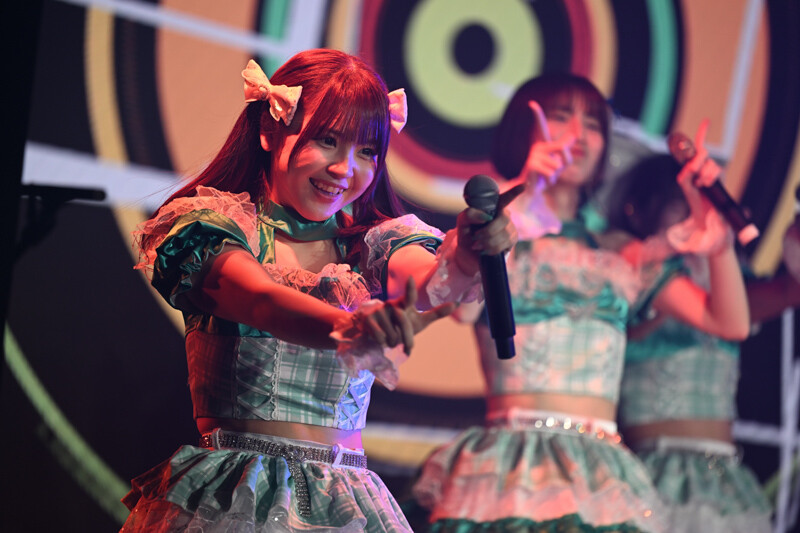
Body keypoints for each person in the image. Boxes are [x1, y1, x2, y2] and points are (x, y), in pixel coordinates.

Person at [120, 49, 519, 532]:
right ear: (269, 130)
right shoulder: (212, 229)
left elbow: (428, 279)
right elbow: (261, 301)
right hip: (236, 496)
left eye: (366, 152)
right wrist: (349, 326)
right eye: (328, 141)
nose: (344, 169)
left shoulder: (370, 244)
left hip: (346, 499)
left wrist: (468, 255)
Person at [412, 73, 750, 532]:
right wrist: (524, 190)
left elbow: (728, 322)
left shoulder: (621, 253)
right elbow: (461, 308)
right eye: (560, 116)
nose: (578, 134)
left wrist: (718, 243)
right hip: (513, 464)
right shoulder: (501, 230)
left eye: (592, 123)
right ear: (522, 132)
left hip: (601, 472)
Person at [606, 153, 800, 532]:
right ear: (639, 210)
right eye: (683, 202)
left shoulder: (728, 283)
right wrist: (675, 263)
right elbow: (626, 328)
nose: (697, 212)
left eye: (706, 202)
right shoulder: (627, 272)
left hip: (721, 474)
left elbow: (784, 294)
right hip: (652, 466)